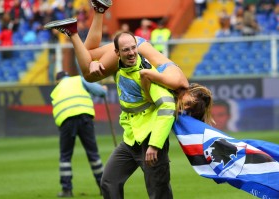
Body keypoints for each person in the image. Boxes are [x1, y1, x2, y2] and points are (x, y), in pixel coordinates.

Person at [43, 0, 189, 92]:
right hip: (134, 49)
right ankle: (72, 32)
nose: (184, 109)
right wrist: (97, 64)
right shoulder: (178, 83)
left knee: (87, 52)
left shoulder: (181, 81)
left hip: (137, 44)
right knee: (89, 76)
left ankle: (99, 10)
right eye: (188, 106)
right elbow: (145, 74)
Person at [99, 31, 176, 199]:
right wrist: (93, 64)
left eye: (134, 48)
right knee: (108, 182)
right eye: (126, 49)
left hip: (152, 141)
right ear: (117, 53)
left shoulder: (148, 73)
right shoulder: (117, 68)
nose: (132, 52)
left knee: (159, 193)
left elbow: (168, 107)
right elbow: (91, 63)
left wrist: (155, 145)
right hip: (131, 140)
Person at [50, 71, 107, 197]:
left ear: (57, 81)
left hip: (66, 122)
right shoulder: (78, 79)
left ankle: (66, 190)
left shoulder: (55, 90)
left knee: (65, 156)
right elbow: (101, 92)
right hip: (84, 118)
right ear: (68, 76)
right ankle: (104, 187)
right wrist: (104, 89)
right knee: (93, 155)